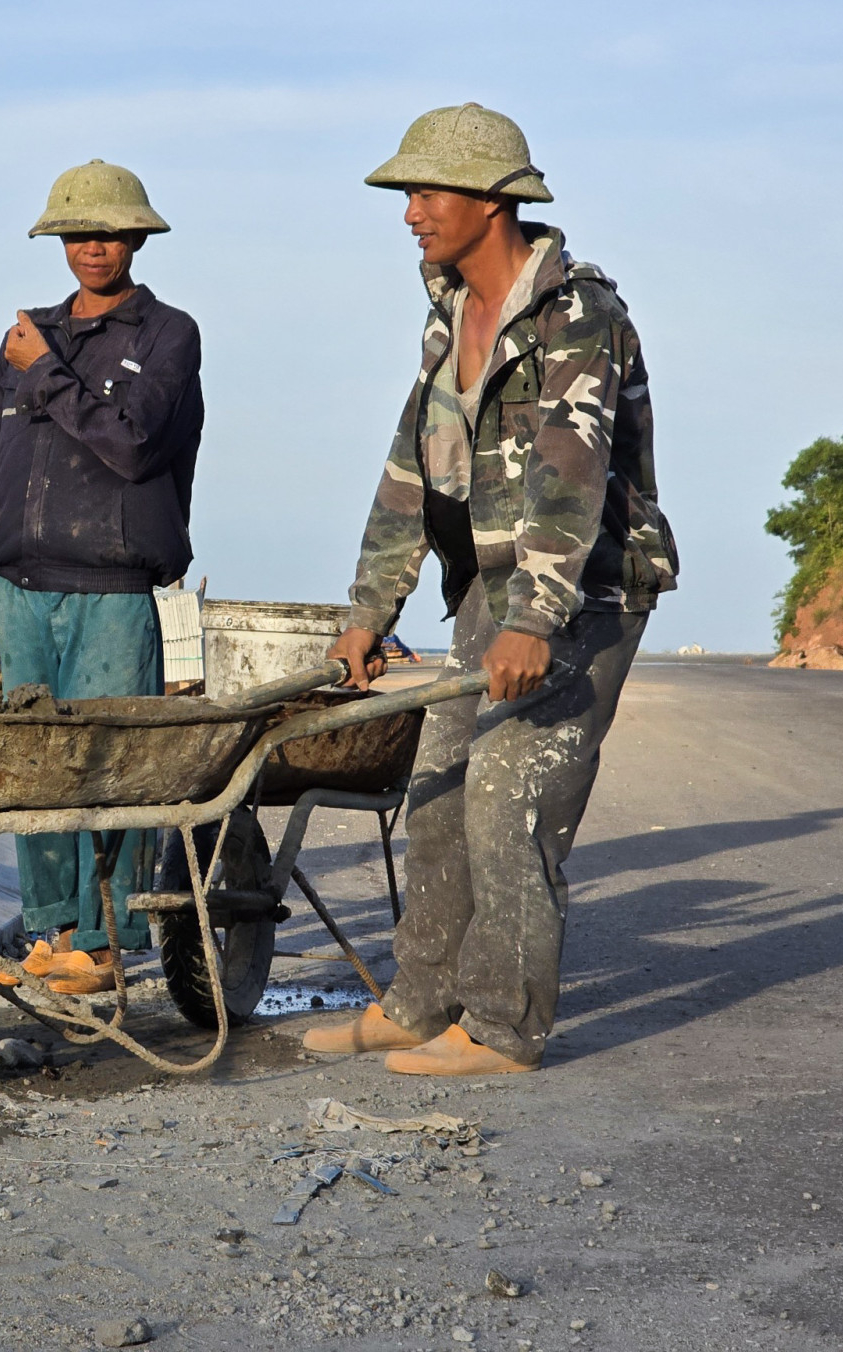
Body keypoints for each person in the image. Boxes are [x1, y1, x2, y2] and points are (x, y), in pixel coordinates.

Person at [304, 105, 679, 1074]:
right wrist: (365, 612)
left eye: (423, 193)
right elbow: (407, 475)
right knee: (432, 789)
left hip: (580, 593)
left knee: (507, 796)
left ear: (487, 199)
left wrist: (535, 620)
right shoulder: (445, 315)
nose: (409, 214)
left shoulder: (576, 316)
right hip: (487, 589)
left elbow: (569, 476)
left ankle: (504, 1028)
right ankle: (422, 1000)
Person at [0, 160, 204, 996]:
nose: (93, 245)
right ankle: (52, 929)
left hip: (114, 590)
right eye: (78, 232)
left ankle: (103, 941)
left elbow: (132, 442)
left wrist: (46, 373)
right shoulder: (25, 338)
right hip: (21, 590)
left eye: (109, 231)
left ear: (135, 237)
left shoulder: (167, 335)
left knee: (109, 764)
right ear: (60, 241)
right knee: (37, 773)